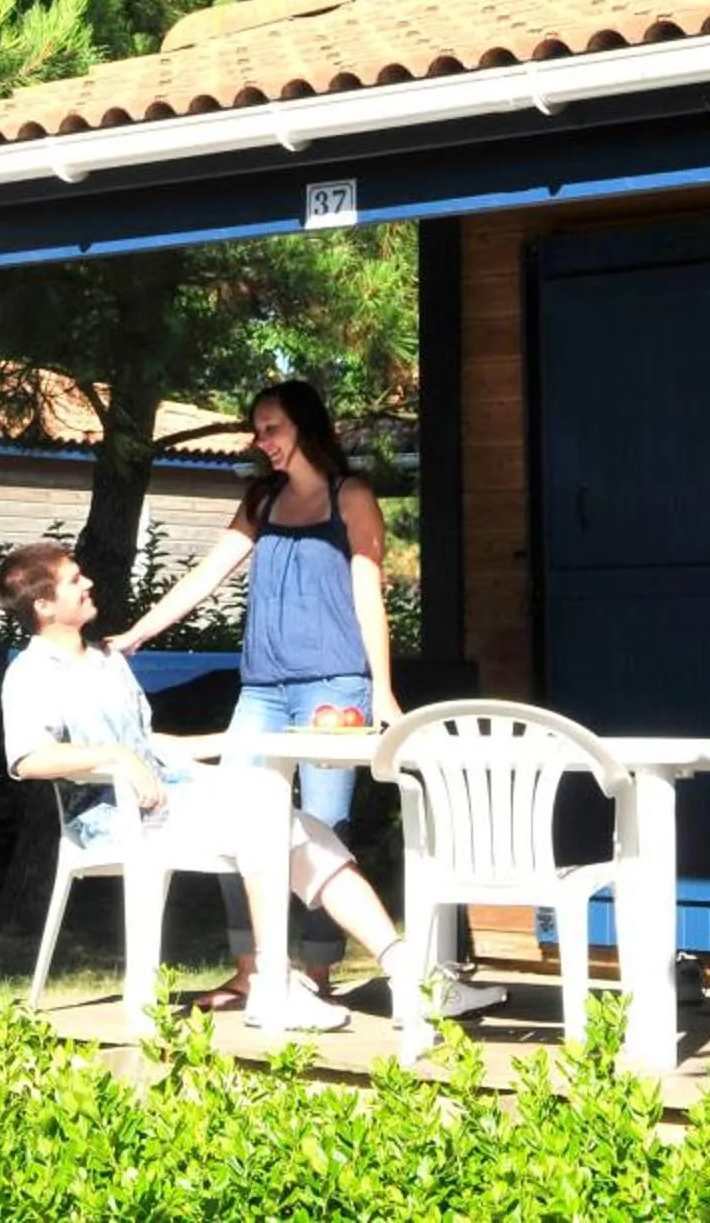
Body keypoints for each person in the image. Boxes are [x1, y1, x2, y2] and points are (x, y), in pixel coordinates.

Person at [109, 378, 497, 1022]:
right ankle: (255, 971)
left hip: (334, 690)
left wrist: (382, 690)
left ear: (306, 428)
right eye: (258, 432)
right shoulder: (261, 500)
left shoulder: (353, 496)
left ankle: (317, 972)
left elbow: (370, 591)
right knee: (238, 824)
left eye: (272, 430)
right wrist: (140, 632)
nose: (262, 443)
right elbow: (208, 573)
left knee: (322, 826)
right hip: (262, 690)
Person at [0, 539, 423, 1036]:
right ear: (44, 606)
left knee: (304, 829)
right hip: (114, 818)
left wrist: (233, 739)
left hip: (170, 799)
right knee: (267, 803)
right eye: (74, 580)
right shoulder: (29, 674)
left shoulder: (106, 659)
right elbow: (30, 759)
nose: (88, 582)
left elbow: (146, 744)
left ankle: (403, 968)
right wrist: (116, 758)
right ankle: (270, 984)